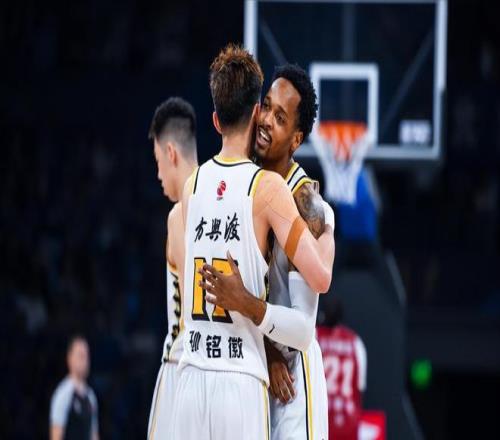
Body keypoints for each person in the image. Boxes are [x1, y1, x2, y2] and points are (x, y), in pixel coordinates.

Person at [171, 44, 334, 440]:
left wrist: (273, 348)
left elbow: (305, 323)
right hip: (251, 364)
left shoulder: (305, 202)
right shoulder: (244, 181)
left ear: (296, 139)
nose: (266, 122)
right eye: (267, 108)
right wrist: (266, 347)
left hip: (294, 381)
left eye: (280, 118)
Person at [146, 97, 198, 439]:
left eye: (157, 162)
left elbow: (191, 310)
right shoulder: (224, 202)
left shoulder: (179, 214)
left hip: (181, 368)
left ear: (170, 152)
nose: (158, 174)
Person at [316, 298, 367, 440]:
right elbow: (360, 389)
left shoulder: (314, 337)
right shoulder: (355, 342)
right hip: (347, 424)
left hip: (320, 423)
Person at [50, 336, 99, 440]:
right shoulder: (63, 394)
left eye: (87, 356)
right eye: (81, 356)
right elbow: (56, 436)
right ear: (70, 359)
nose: (85, 361)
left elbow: (93, 434)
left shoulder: (90, 396)